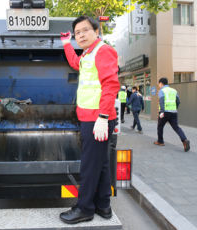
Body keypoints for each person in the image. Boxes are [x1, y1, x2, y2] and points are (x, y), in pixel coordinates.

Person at [59, 15, 119, 224]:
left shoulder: (103, 51)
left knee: (89, 166)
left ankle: (84, 209)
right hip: (92, 118)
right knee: (101, 164)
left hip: (97, 119)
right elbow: (76, 63)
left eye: (85, 30)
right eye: (77, 33)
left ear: (96, 31)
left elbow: (111, 85)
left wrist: (103, 116)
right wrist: (67, 44)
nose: (81, 35)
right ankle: (104, 207)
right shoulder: (88, 54)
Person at [154, 77, 190, 152]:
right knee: (176, 127)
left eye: (159, 84)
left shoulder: (162, 91)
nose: (159, 85)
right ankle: (184, 140)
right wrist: (175, 108)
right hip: (173, 112)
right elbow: (178, 101)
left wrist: (161, 112)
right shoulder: (174, 91)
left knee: (160, 126)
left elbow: (161, 101)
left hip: (165, 112)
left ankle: (160, 141)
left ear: (161, 83)